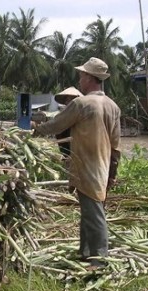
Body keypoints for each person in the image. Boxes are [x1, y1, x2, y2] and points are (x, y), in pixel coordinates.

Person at [33, 57, 121, 269]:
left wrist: (34, 129)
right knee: (88, 209)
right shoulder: (112, 106)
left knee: (94, 212)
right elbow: (116, 145)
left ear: (90, 78)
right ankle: (85, 252)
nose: (80, 80)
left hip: (87, 165)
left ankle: (100, 259)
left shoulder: (81, 103)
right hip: (102, 164)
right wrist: (112, 173)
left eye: (82, 76)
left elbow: (57, 125)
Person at [53, 86, 84, 158]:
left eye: (71, 100)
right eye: (67, 100)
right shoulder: (61, 117)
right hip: (67, 151)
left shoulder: (83, 117)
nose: (68, 102)